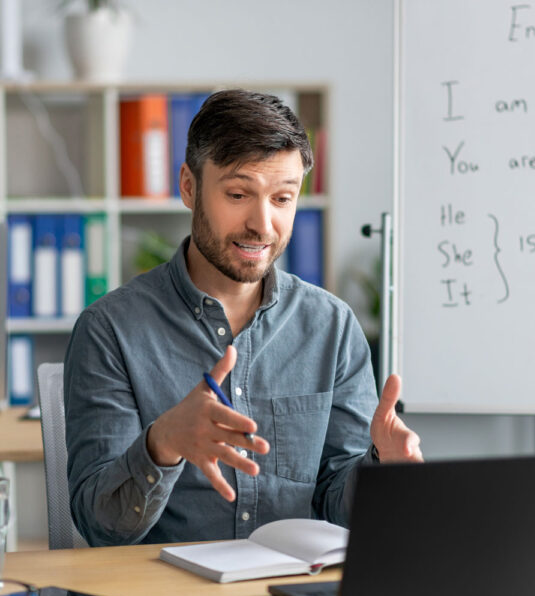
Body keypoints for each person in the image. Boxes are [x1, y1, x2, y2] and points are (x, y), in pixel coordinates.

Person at [64, 89, 422, 547]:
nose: (263, 224)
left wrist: (380, 471)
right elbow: (100, 527)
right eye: (238, 194)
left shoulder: (331, 327)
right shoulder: (109, 330)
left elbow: (335, 504)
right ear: (189, 187)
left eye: (282, 199)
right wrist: (164, 443)